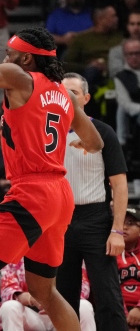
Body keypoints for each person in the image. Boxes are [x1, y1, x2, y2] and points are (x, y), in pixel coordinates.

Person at [0, 0, 104, 331]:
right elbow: (95, 141)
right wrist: (71, 146)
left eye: (10, 53)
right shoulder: (64, 92)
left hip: (32, 192)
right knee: (44, 291)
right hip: (60, 194)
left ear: (27, 60)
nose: (5, 57)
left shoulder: (20, 78)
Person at [56, 72, 128, 330]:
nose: (66, 97)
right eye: (61, 91)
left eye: (73, 93)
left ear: (85, 98)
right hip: (60, 221)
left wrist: (117, 230)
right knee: (63, 296)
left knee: (107, 293)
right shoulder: (48, 132)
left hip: (96, 220)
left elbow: (119, 185)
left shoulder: (103, 132)